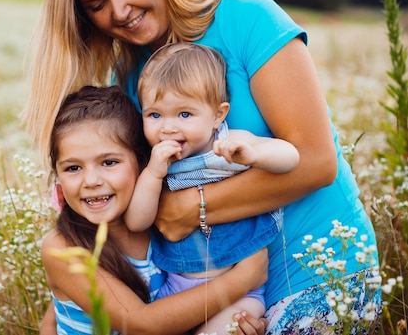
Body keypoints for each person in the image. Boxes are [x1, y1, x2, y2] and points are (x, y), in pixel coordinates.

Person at [23, 0, 381, 331]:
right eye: (97, 5)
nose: (119, 11)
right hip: (213, 298)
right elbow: (113, 219)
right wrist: (57, 313)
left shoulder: (249, 20)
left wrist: (190, 210)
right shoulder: (127, 79)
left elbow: (318, 163)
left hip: (322, 272)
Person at [40, 85, 268, 335]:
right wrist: (243, 278)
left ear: (142, 162)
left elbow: (182, 311)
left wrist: (233, 322)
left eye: (109, 162)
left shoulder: (163, 223)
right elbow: (142, 325)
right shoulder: (63, 247)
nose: (91, 180)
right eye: (73, 168)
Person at [124, 42, 299, 335]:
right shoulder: (153, 163)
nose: (167, 128)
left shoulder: (231, 143)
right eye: (155, 115)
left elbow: (291, 157)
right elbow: (137, 221)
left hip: (240, 292)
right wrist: (153, 174)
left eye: (184, 115)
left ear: (218, 116)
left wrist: (255, 155)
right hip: (177, 287)